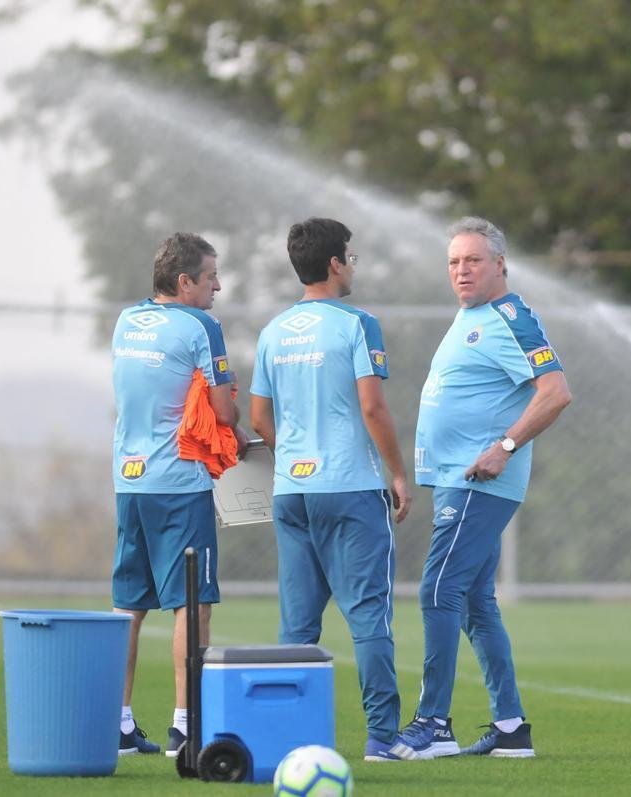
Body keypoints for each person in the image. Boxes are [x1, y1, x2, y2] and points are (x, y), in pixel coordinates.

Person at [391, 216, 572, 761]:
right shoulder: (470, 317)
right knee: (474, 603)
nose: (462, 270)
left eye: (473, 260)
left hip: (479, 483)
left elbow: (556, 392)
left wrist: (505, 447)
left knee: (436, 591)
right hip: (454, 482)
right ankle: (511, 729)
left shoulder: (510, 316)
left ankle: (433, 723)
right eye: (453, 262)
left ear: (500, 265)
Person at [249, 217, 413, 762]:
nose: (354, 265)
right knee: (368, 616)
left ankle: (289, 739)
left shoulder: (273, 331)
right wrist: (397, 472)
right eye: (352, 256)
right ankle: (384, 740)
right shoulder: (357, 323)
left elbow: (258, 417)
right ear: (336, 263)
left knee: (297, 624)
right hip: (349, 487)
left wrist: (293, 455)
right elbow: (372, 406)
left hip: (291, 492)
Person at [111, 231, 248, 756]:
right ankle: (185, 724)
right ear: (185, 281)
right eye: (211, 276)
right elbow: (222, 412)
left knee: (129, 604)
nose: (218, 286)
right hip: (179, 483)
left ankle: (119, 724)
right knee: (193, 602)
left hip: (129, 481)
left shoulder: (126, 320)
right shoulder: (202, 325)